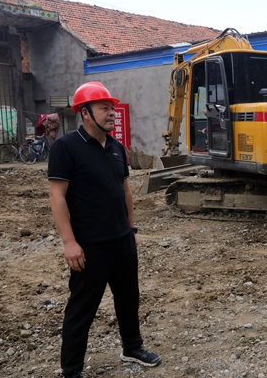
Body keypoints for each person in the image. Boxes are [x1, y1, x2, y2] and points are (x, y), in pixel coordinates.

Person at [48, 82, 161, 378]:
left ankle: (132, 347)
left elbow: (125, 191)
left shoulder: (115, 147)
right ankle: (72, 370)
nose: (112, 113)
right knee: (81, 309)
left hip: (121, 240)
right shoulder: (67, 147)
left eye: (112, 108)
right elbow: (57, 196)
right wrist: (69, 242)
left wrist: (131, 229)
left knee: (128, 298)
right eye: (104, 108)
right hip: (90, 245)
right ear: (85, 113)